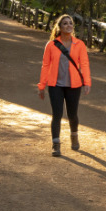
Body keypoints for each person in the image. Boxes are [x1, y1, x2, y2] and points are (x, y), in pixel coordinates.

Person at [38, 14, 92, 157]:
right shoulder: (51, 45)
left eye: (71, 23)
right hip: (55, 84)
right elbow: (45, 66)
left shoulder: (79, 44)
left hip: (74, 85)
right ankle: (56, 144)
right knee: (57, 114)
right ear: (60, 27)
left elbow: (85, 64)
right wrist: (42, 86)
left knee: (72, 114)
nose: (69, 25)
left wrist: (87, 82)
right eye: (65, 24)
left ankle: (74, 135)